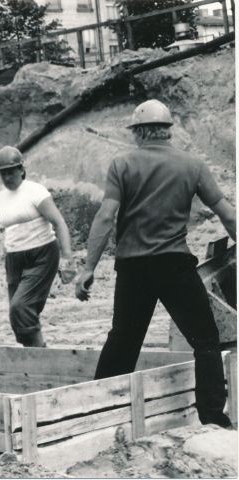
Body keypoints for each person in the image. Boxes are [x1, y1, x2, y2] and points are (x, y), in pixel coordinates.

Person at [75, 99, 235, 428]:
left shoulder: (122, 164)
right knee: (205, 340)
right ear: (166, 131)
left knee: (122, 341)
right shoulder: (192, 164)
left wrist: (88, 268)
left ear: (139, 132)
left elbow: (106, 217)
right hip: (175, 264)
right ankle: (212, 419)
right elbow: (227, 212)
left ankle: (97, 415)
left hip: (134, 269)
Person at [0, 146, 75, 348]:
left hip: (42, 255)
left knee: (21, 307)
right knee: (17, 316)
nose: (7, 177)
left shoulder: (35, 192)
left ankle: (39, 355)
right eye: (2, 173)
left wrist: (67, 258)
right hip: (14, 259)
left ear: (21, 169)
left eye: (11, 172)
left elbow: (59, 222)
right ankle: (33, 353)